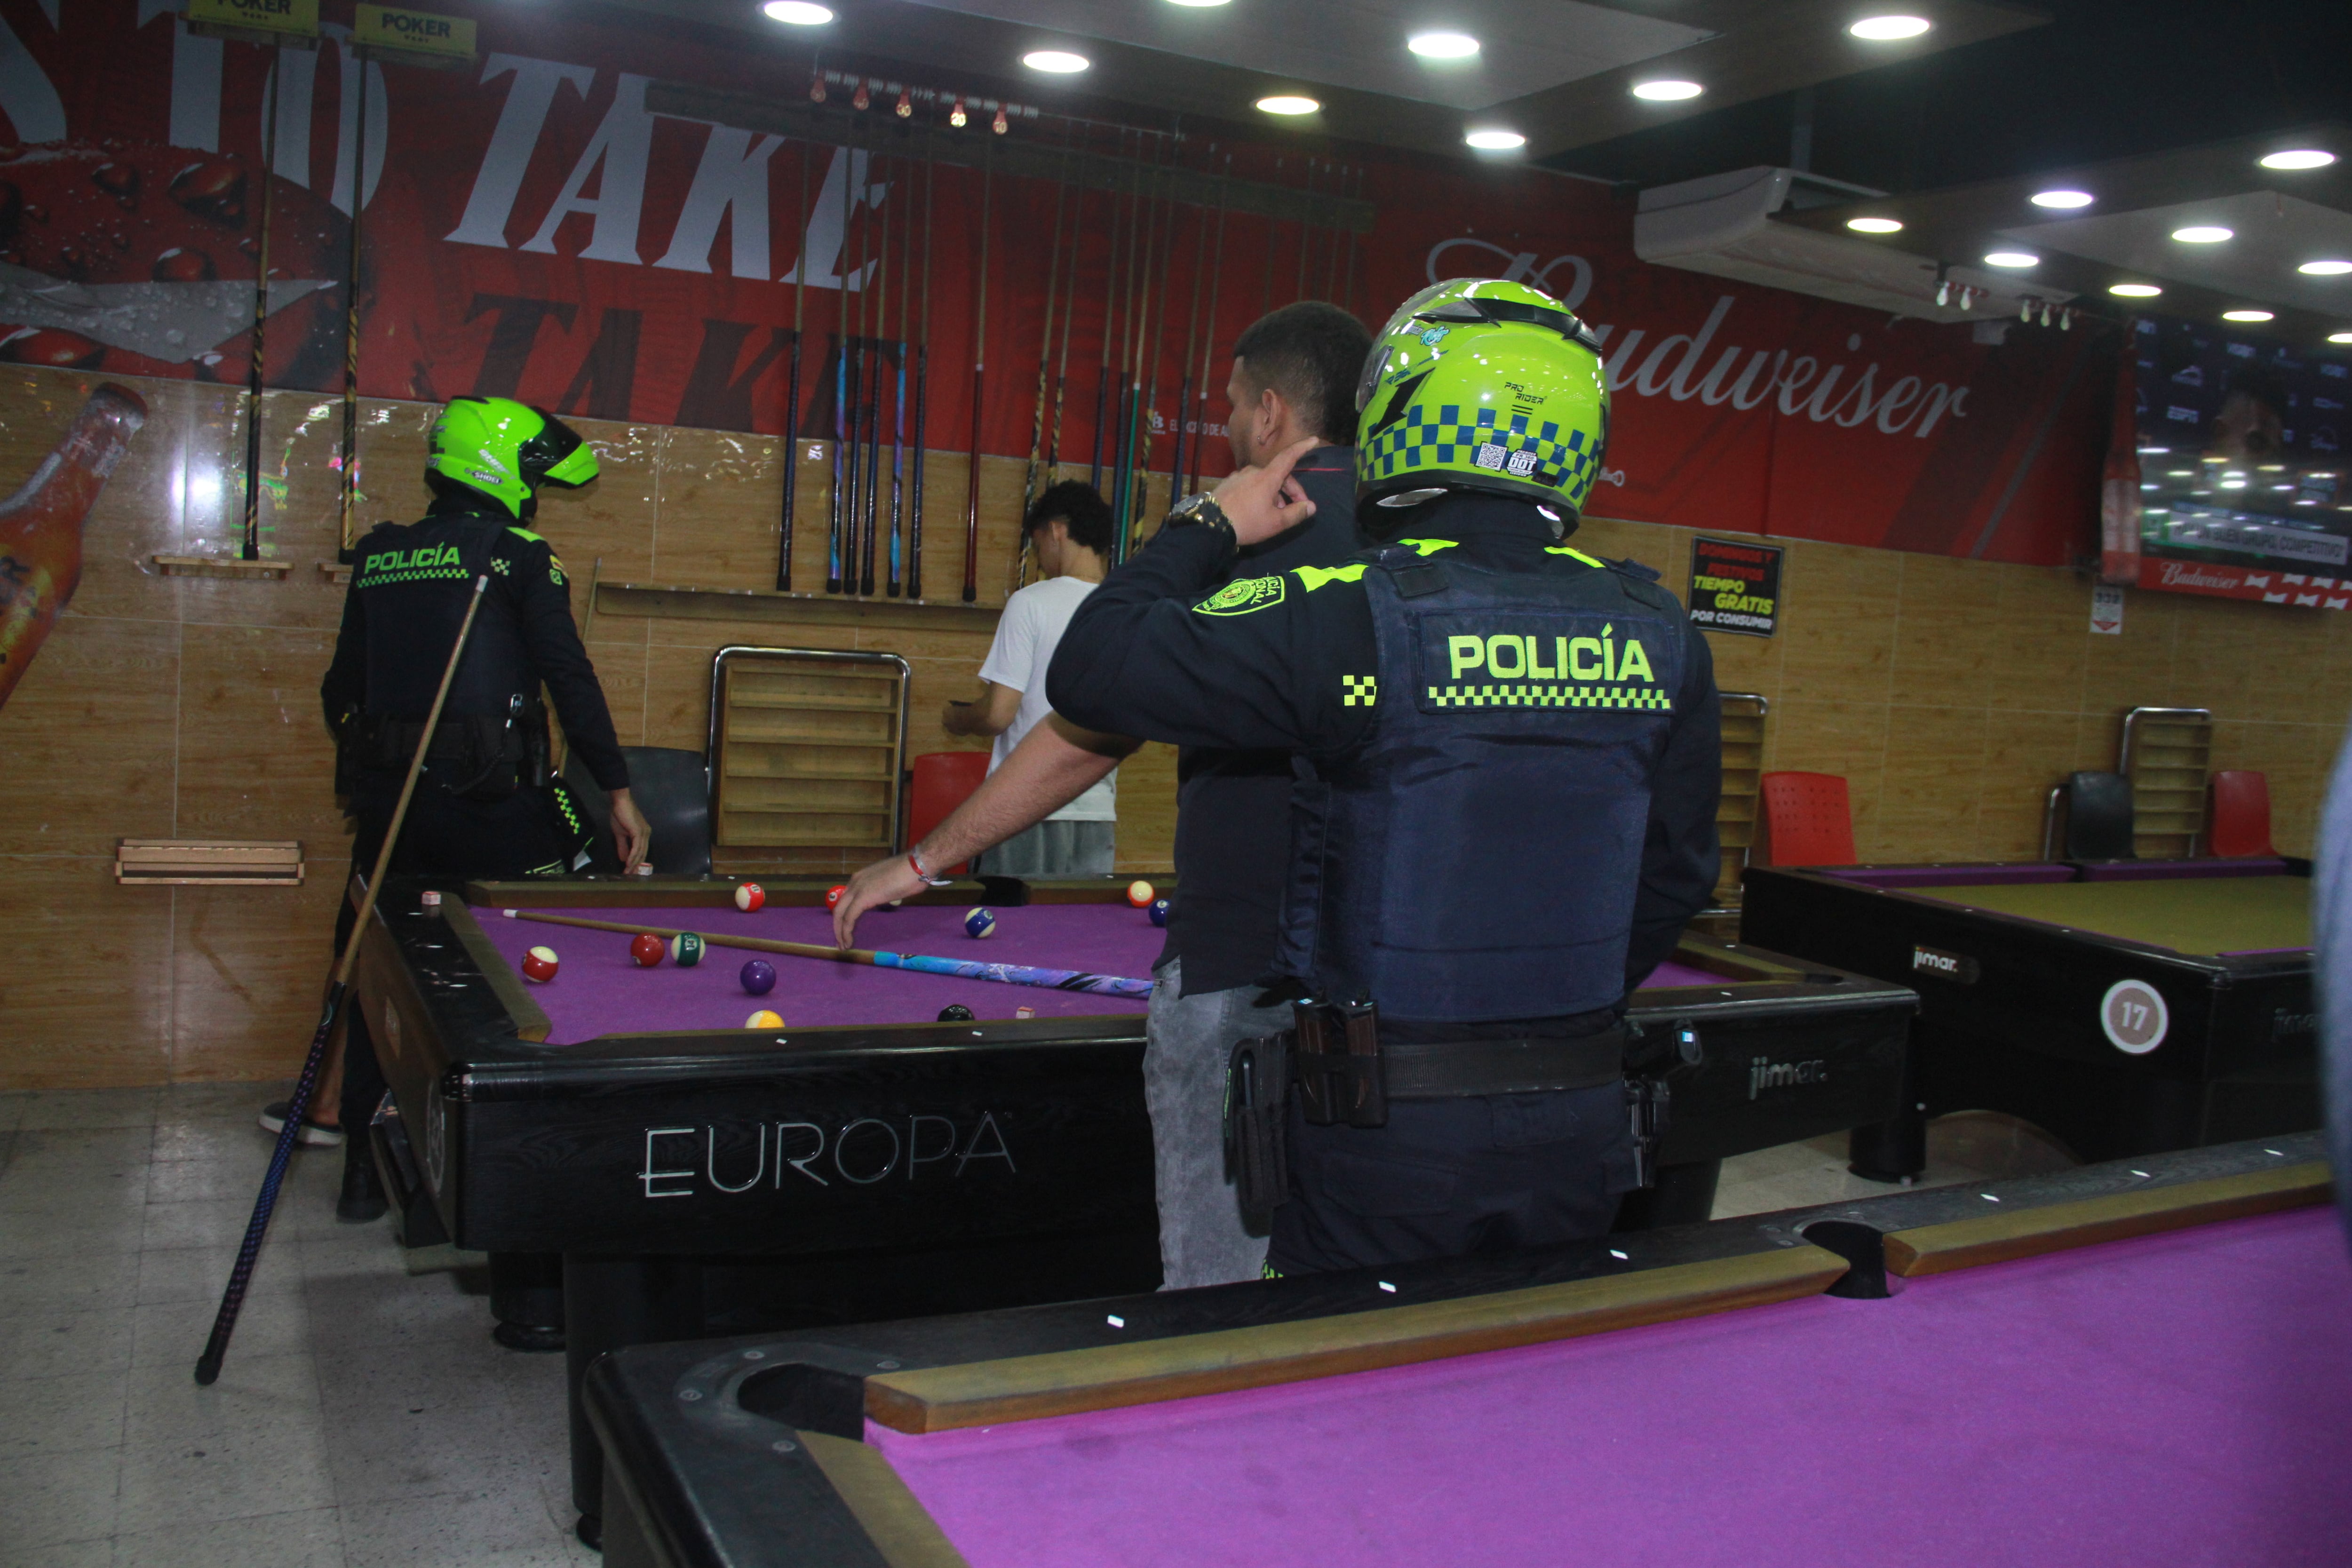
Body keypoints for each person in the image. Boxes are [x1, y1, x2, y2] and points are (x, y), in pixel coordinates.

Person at [1043, 278, 1723, 1275]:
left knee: (1336, 1387)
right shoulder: (1662, 632)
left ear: (1404, 412)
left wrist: (1205, 522)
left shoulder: (1354, 612)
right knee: (1519, 1372)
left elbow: (1094, 667)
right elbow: (1675, 875)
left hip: (1384, 1126)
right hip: (1579, 1121)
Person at [833, 300, 1374, 1287]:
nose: (1221, 427)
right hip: (1386, 983)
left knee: (1217, 1298)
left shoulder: (1242, 539)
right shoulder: (1412, 546)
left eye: (1225, 405)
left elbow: (1090, 719)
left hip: (1237, 973)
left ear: (1268, 413)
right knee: (1350, 1274)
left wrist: (922, 861)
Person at [271, 396, 651, 1225]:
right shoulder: (515, 553)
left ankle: (368, 1181)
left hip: (391, 811)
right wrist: (617, 792)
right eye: (535, 477)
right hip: (498, 816)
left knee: (383, 977)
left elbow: (341, 691)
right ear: (503, 470)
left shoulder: (379, 556)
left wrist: (393, 761)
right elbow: (571, 682)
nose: (539, 494)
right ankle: (540, 1153)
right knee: (548, 948)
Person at [943, 481, 1119, 878]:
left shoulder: (1031, 602)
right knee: (1080, 937)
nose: (1040, 559)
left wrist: (957, 719)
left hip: (1022, 807)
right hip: (1095, 814)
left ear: (1056, 530)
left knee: (1007, 934)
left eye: (1038, 544)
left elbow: (997, 715)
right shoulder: (1129, 609)